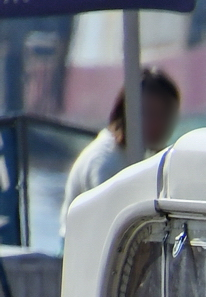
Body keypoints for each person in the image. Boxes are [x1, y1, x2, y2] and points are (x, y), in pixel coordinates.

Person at [61, 68, 180, 232]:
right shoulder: (106, 161)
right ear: (125, 113)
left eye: (166, 114)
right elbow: (107, 227)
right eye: (149, 113)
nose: (159, 124)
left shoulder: (138, 155)